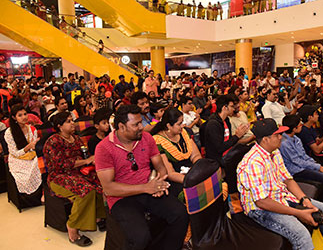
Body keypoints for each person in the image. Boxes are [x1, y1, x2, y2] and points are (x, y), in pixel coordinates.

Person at [237, 118, 323, 250]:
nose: (281, 137)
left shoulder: (274, 152)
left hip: (280, 196)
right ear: (265, 139)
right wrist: (297, 213)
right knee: (302, 235)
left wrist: (304, 199)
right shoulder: (252, 163)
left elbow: (288, 179)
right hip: (260, 210)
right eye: (277, 135)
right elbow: (262, 202)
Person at [95, 105, 189, 250]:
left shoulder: (146, 138)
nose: (141, 127)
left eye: (141, 123)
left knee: (180, 214)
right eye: (136, 124)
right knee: (140, 236)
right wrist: (146, 188)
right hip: (122, 199)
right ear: (121, 126)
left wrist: (157, 182)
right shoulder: (104, 148)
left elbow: (160, 166)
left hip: (148, 189)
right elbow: (109, 188)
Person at [44, 112, 106, 246]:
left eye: (72, 120)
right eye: (68, 121)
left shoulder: (76, 138)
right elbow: (59, 165)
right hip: (59, 177)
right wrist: (85, 161)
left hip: (77, 172)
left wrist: (91, 160)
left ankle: (98, 217)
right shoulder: (53, 141)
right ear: (59, 126)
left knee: (99, 180)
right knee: (86, 190)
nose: (72, 123)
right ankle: (72, 228)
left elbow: (85, 156)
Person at [280, 115, 323, 232]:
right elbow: (296, 161)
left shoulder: (296, 138)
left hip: (304, 166)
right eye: (299, 124)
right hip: (296, 171)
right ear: (293, 128)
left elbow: (303, 156)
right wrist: (318, 167)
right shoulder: (284, 143)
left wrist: (317, 166)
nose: (301, 125)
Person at [151, 107, 201, 197]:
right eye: (179, 124)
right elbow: (170, 173)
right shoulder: (158, 140)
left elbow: (195, 155)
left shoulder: (183, 132)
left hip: (192, 173)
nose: (183, 125)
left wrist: (198, 171)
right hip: (177, 179)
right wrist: (191, 179)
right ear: (169, 126)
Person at [5, 105, 41, 195]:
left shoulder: (31, 129)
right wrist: (28, 147)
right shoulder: (9, 132)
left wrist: (34, 146)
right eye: (20, 115)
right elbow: (15, 153)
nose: (24, 117)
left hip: (31, 155)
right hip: (17, 160)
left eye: (25, 114)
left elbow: (34, 147)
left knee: (42, 160)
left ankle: (45, 192)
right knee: (37, 163)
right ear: (14, 118)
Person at [204, 95, 249, 166]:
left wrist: (238, 135)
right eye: (231, 106)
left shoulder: (226, 120)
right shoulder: (213, 124)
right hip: (218, 158)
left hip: (228, 152)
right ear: (225, 107)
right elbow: (219, 148)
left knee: (248, 149)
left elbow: (229, 140)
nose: (233, 109)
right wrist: (237, 136)